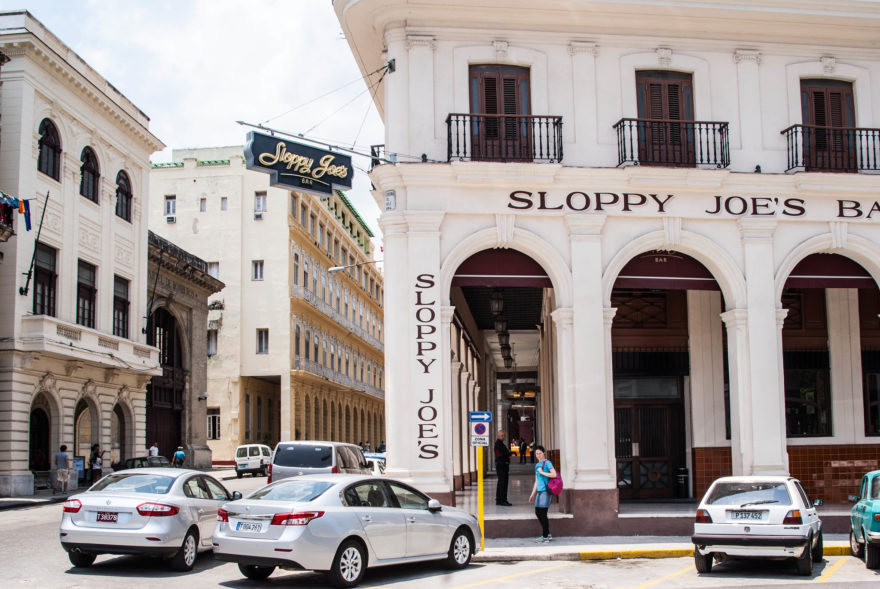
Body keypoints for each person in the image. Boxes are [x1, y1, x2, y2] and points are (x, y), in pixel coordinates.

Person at [529, 444, 557, 542]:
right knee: (537, 512)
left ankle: (545, 537)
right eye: (536, 453)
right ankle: (547, 533)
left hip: (546, 491)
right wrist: (533, 494)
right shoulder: (537, 465)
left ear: (544, 453)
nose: (538, 455)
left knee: (543, 513)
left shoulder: (547, 463)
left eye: (540, 453)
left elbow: (554, 474)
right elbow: (536, 481)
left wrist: (542, 472)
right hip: (539, 491)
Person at [494, 430, 512, 506]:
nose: (503, 437)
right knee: (503, 483)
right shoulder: (498, 444)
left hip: (502, 465)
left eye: (503, 435)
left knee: (500, 483)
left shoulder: (500, 444)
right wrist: (508, 456)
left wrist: (508, 455)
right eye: (501, 435)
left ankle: (499, 499)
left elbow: (506, 453)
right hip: (502, 466)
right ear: (497, 436)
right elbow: (504, 454)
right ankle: (503, 500)